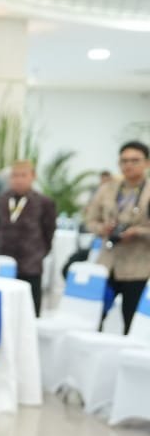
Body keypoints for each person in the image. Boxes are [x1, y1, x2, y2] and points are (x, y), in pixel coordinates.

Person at [84, 141, 150, 334]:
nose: (128, 165)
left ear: (147, 163)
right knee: (93, 317)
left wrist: (137, 232)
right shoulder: (108, 189)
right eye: (124, 161)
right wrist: (102, 228)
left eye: (135, 160)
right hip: (107, 263)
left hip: (138, 267)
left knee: (132, 323)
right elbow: (90, 221)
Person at [0, 161, 57, 316]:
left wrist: (39, 253)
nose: (18, 180)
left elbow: (49, 231)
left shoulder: (44, 202)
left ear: (32, 177)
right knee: (4, 309)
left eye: (23, 175)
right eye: (15, 176)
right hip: (5, 260)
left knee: (29, 310)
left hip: (31, 263)